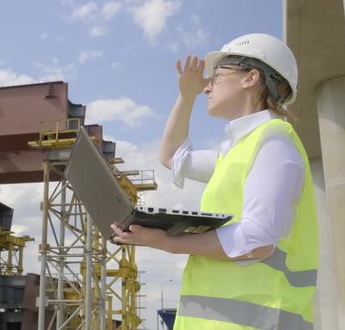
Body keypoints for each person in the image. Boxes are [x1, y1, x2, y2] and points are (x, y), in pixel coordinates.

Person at [110, 33, 318, 329]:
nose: (207, 86)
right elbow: (172, 156)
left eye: (217, 76)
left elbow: (258, 240)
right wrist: (186, 96)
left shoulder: (274, 141)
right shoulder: (234, 152)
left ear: (251, 78)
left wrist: (168, 242)